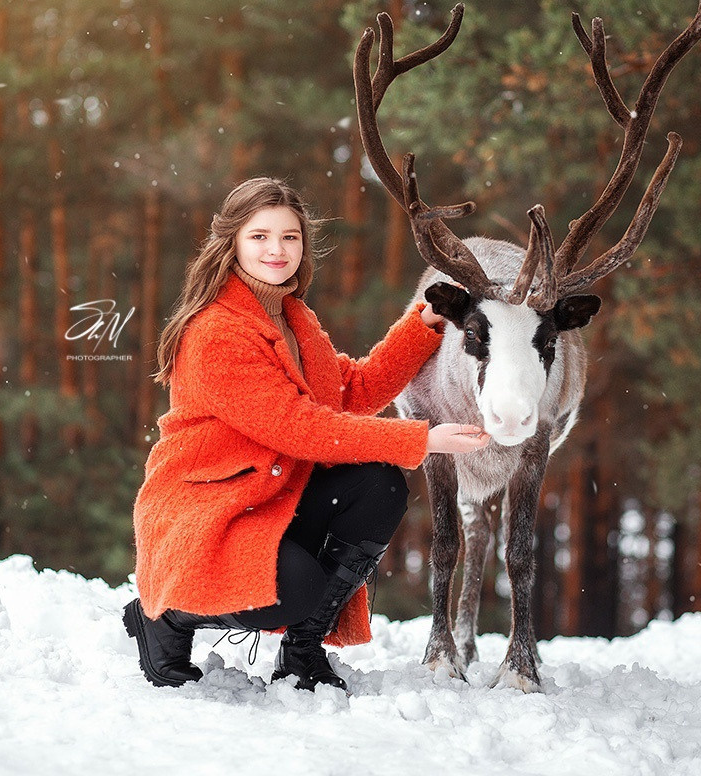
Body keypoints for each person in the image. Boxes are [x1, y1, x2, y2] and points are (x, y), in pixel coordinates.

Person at [123, 176, 489, 692]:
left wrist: (423, 323)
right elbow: (301, 428)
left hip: (273, 497)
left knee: (378, 482)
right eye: (260, 236)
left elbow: (353, 390)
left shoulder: (293, 318)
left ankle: (301, 652)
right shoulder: (215, 332)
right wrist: (422, 439)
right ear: (231, 243)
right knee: (294, 588)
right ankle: (165, 617)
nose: (277, 249)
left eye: (289, 237)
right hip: (213, 512)